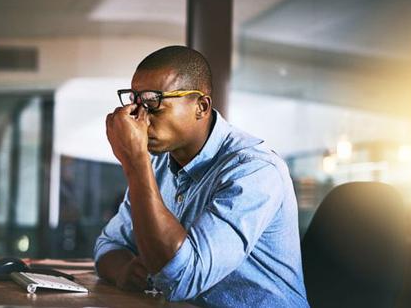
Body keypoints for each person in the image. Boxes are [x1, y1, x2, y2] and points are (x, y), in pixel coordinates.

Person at [94, 45, 308, 307]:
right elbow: (109, 244)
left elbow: (182, 278)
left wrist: (135, 161)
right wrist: (125, 271)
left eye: (153, 105)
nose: (140, 120)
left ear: (201, 106)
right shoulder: (159, 163)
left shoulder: (254, 170)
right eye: (136, 105)